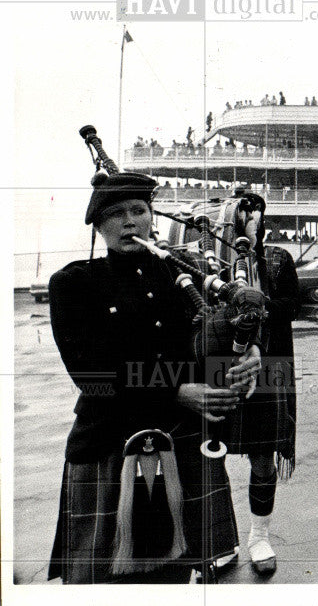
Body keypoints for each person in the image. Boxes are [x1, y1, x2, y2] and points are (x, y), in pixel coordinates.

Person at [47, 172, 252, 584]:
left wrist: (250, 353)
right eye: (116, 214)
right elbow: (92, 377)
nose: (129, 222)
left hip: (184, 442)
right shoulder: (74, 283)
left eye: (138, 211)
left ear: (150, 218)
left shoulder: (182, 274)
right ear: (98, 225)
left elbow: (214, 336)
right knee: (111, 583)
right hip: (110, 443)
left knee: (178, 574)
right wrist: (176, 392)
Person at [221, 191, 299, 576]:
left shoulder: (279, 257)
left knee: (263, 458)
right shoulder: (215, 258)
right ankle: (217, 537)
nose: (250, 220)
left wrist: (259, 304)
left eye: (256, 214)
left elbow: (294, 306)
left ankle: (259, 536)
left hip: (271, 363)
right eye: (243, 214)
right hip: (222, 363)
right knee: (207, 453)